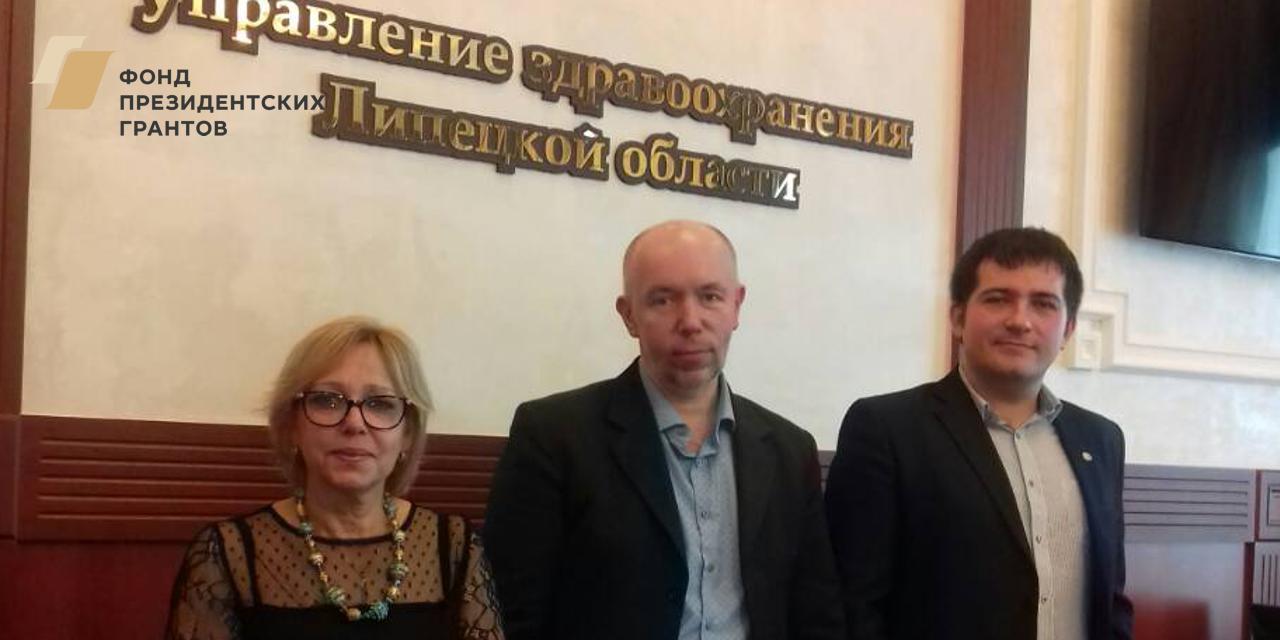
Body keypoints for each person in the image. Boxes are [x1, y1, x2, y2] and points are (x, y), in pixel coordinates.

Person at [483, 220, 844, 640]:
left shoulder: (788, 449)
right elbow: (512, 610)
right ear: (629, 315)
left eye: (710, 296)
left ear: (736, 306)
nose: (690, 321)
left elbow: (817, 612)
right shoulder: (553, 436)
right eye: (663, 299)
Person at [824, 227, 1134, 640]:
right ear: (957, 317)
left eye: (1043, 304)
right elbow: (855, 605)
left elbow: (1111, 601)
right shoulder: (886, 429)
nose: (1020, 321)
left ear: (1068, 330)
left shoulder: (1101, 440)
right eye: (998, 298)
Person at [165, 317, 503, 639]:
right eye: (327, 401)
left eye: (380, 404)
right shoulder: (228, 553)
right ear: (292, 425)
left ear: (408, 434)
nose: (354, 423)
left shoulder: (455, 546)